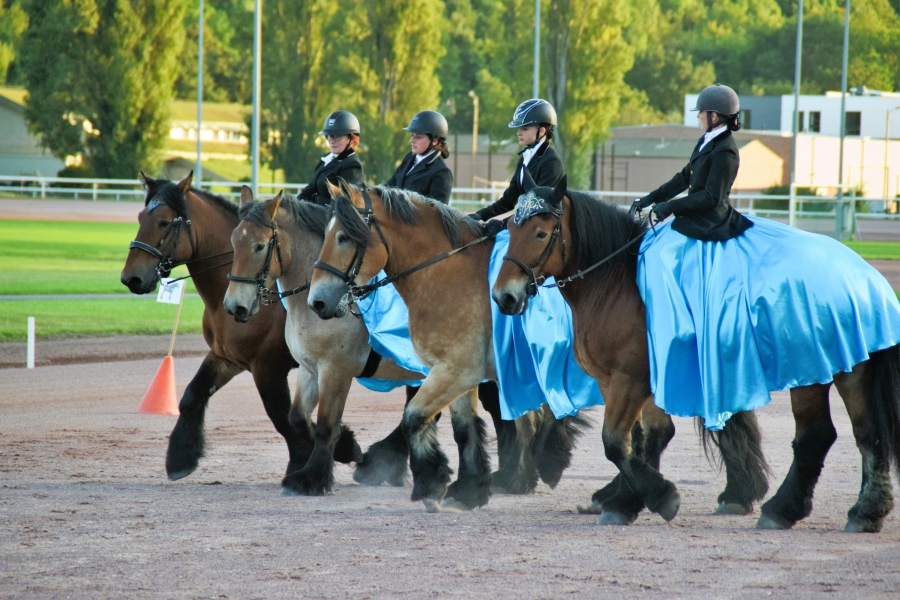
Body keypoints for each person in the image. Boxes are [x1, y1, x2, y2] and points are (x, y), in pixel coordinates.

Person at [634, 84, 751, 240]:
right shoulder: (707, 140)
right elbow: (684, 177)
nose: (698, 116)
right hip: (696, 218)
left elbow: (711, 197)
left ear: (714, 116)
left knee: (668, 246)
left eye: (701, 112)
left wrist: (670, 207)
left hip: (711, 223)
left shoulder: (725, 151)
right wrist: (651, 198)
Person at [471, 99, 564, 221]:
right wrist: (479, 216)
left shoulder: (552, 162)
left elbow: (538, 207)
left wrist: (503, 223)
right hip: (526, 226)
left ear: (542, 131)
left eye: (525, 129)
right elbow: (508, 201)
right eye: (519, 128)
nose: (518, 133)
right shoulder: (524, 159)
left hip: (541, 232)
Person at [385, 110, 453, 204]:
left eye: (418, 137)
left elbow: (436, 214)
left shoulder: (441, 173)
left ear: (435, 141)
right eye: (412, 135)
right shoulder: (409, 158)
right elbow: (387, 187)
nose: (411, 140)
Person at [299, 110, 365, 206]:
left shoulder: (352, 165)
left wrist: (313, 208)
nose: (331, 141)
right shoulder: (326, 158)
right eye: (329, 136)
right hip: (312, 211)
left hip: (331, 216)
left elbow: (348, 203)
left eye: (337, 136)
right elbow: (311, 188)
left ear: (352, 138)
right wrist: (295, 205)